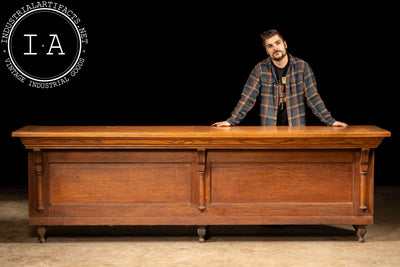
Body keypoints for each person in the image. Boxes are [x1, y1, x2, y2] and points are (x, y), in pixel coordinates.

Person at [212, 29, 348, 127]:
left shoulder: (302, 67)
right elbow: (247, 97)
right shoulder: (260, 69)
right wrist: (231, 121)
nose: (275, 48)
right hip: (269, 129)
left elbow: (313, 98)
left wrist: (331, 121)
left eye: (277, 43)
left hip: (296, 128)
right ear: (266, 50)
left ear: (285, 44)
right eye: (270, 46)